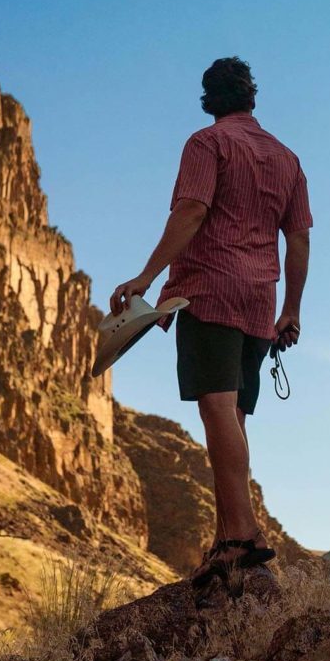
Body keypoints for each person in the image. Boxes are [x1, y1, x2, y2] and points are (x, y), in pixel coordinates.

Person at [109, 57, 310, 583]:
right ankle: (227, 538)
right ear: (252, 96)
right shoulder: (287, 159)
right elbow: (301, 238)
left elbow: (192, 210)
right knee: (235, 414)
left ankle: (244, 535)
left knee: (217, 408)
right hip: (260, 302)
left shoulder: (207, 143)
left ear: (208, 98)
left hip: (209, 289)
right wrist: (292, 308)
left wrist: (146, 277)